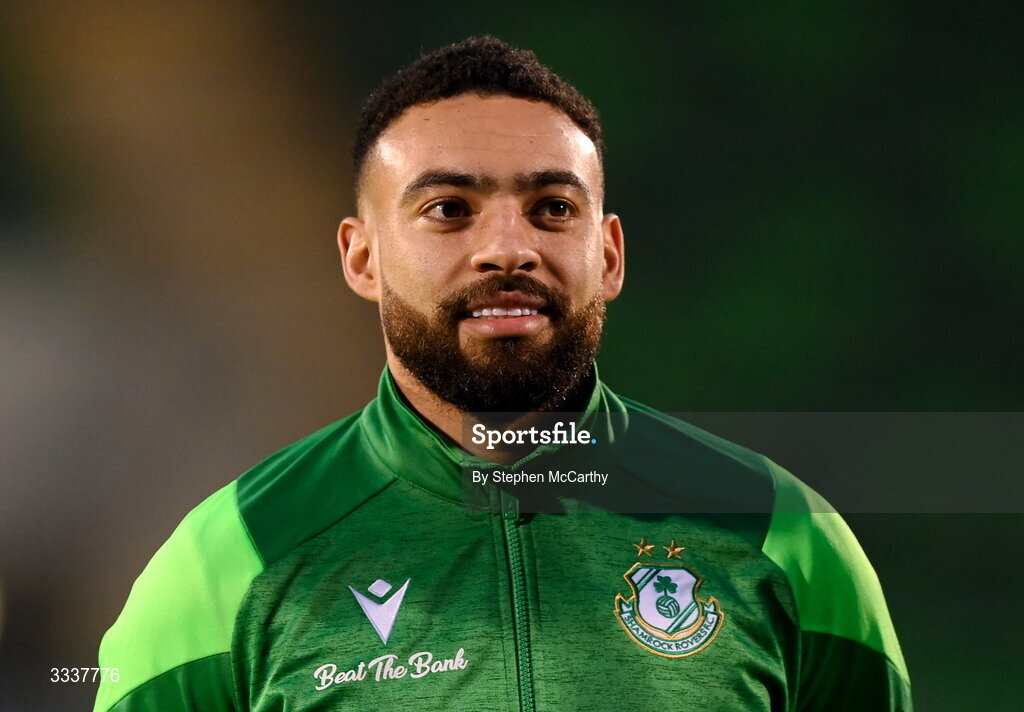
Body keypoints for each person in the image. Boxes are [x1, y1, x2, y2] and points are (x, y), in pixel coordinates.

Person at [94, 37, 912, 711]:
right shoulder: (228, 560)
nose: (508, 248)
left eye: (554, 208)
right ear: (362, 256)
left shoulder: (780, 533)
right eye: (449, 209)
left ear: (611, 254)